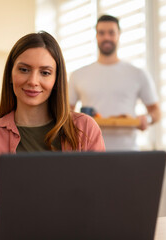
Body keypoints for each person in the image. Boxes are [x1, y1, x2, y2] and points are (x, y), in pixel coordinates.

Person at [0, 31, 105, 237]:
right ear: (10, 75)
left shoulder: (85, 128)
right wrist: (12, 230)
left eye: (45, 72)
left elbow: (100, 196)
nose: (33, 81)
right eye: (24, 69)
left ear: (56, 79)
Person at [69, 15, 161, 150]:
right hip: (89, 153)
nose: (106, 37)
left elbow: (156, 112)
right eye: (101, 33)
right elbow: (66, 112)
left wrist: (146, 119)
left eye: (111, 32)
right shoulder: (77, 75)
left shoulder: (138, 73)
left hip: (128, 153)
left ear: (119, 35)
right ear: (96, 36)